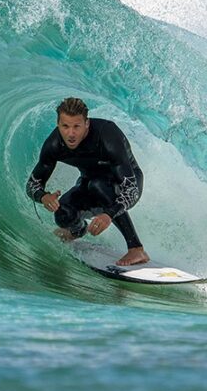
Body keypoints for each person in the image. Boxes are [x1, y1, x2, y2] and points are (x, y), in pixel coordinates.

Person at [26, 97, 148, 266]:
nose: (71, 133)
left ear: (87, 124)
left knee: (99, 186)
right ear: (58, 124)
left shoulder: (106, 135)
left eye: (76, 126)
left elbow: (131, 188)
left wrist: (109, 215)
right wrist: (43, 196)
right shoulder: (54, 145)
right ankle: (77, 230)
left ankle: (136, 249)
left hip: (124, 186)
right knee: (63, 213)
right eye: (65, 126)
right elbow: (32, 184)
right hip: (89, 183)